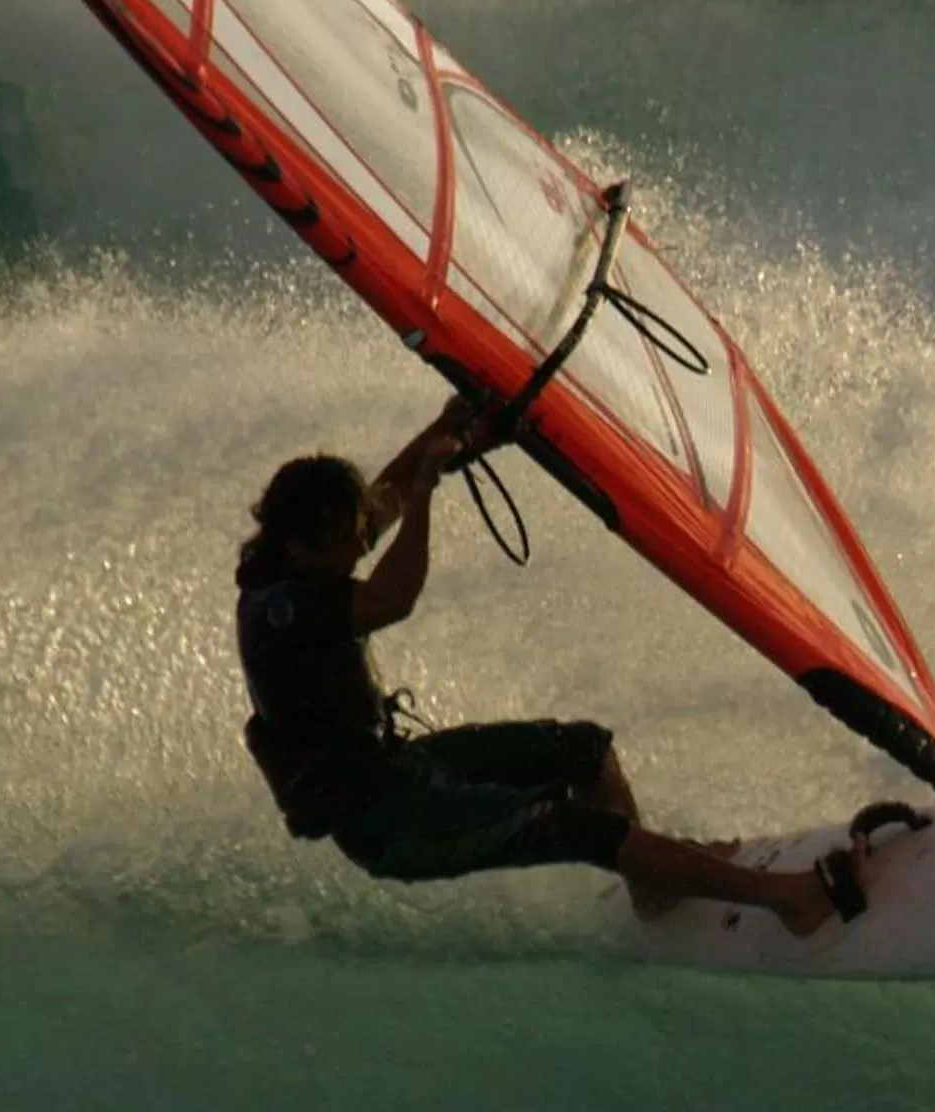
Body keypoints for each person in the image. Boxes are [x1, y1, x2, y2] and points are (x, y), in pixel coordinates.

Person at [234, 399, 866, 934]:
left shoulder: (306, 561)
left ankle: (652, 888)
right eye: (350, 538)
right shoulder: (283, 609)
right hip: (388, 822)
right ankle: (788, 902)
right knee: (569, 823)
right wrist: (427, 493)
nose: (361, 542)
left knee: (582, 750)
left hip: (401, 770)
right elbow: (392, 598)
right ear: (300, 546)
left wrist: (450, 422)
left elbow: (382, 502)